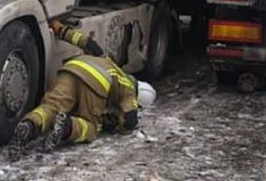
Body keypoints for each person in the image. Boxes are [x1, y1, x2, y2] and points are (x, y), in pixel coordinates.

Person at [8, 20, 157, 160]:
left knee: (51, 107)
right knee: (91, 127)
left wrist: (59, 28)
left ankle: (29, 125)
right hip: (96, 84)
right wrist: (117, 125)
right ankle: (66, 127)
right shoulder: (129, 90)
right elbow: (129, 120)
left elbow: (85, 41)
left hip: (72, 69)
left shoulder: (107, 59)